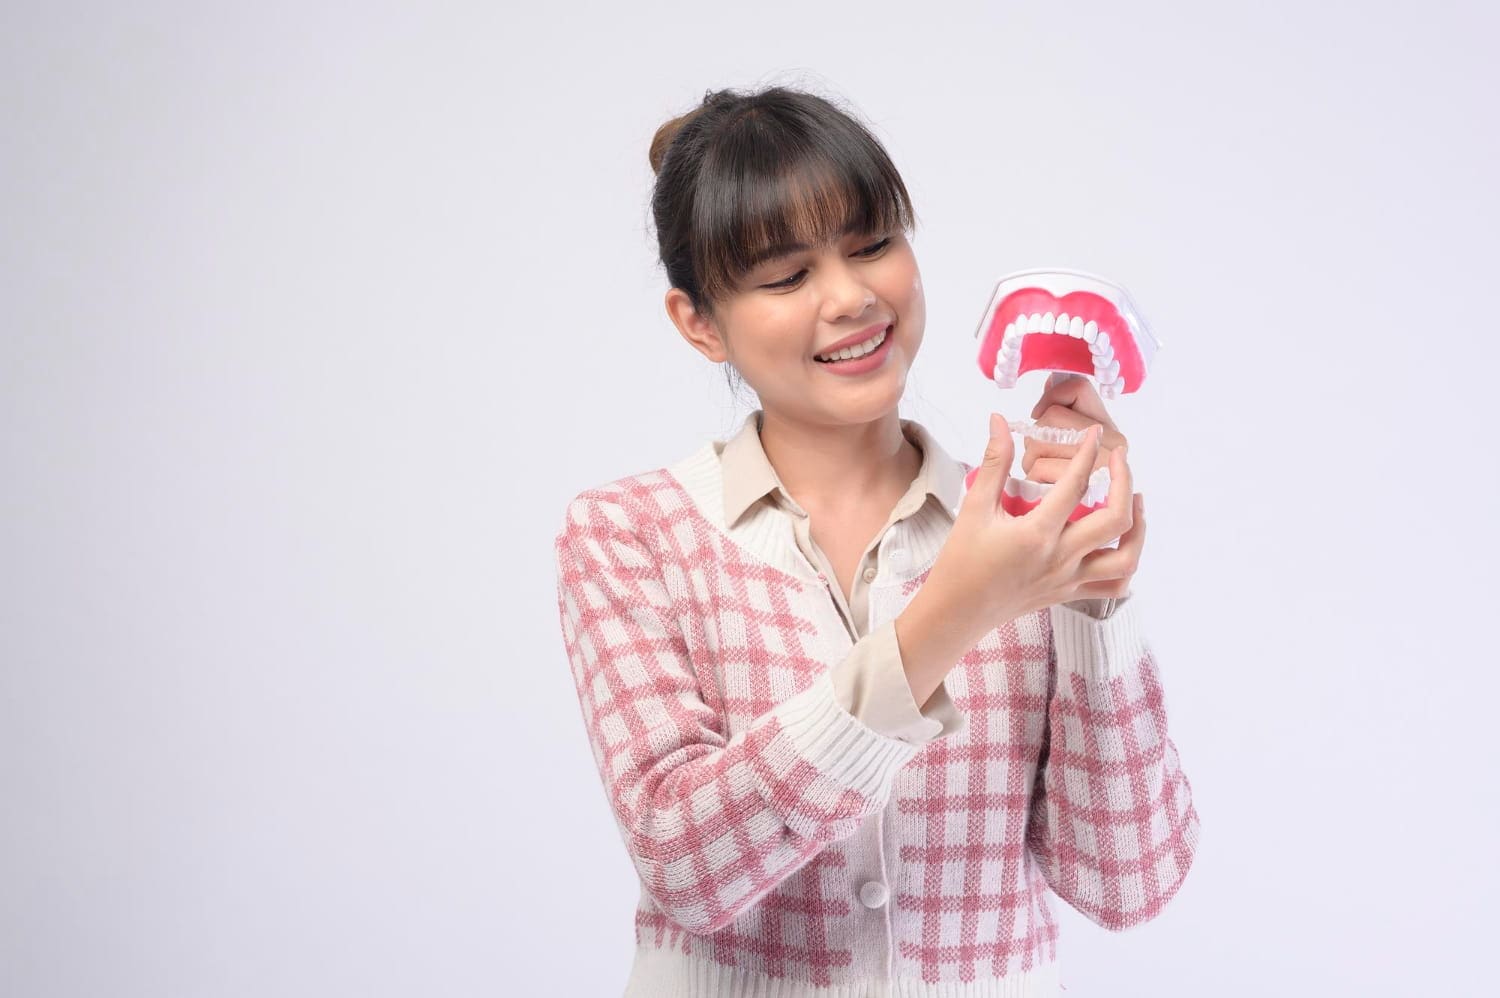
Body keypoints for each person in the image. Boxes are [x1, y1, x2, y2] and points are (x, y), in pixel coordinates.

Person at [551, 84, 1200, 998]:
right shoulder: (631, 535)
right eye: (787, 277)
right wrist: (955, 611)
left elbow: (1128, 884)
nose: (852, 298)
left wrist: (1093, 601)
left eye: (873, 247)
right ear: (699, 323)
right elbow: (686, 865)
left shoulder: (1023, 528)